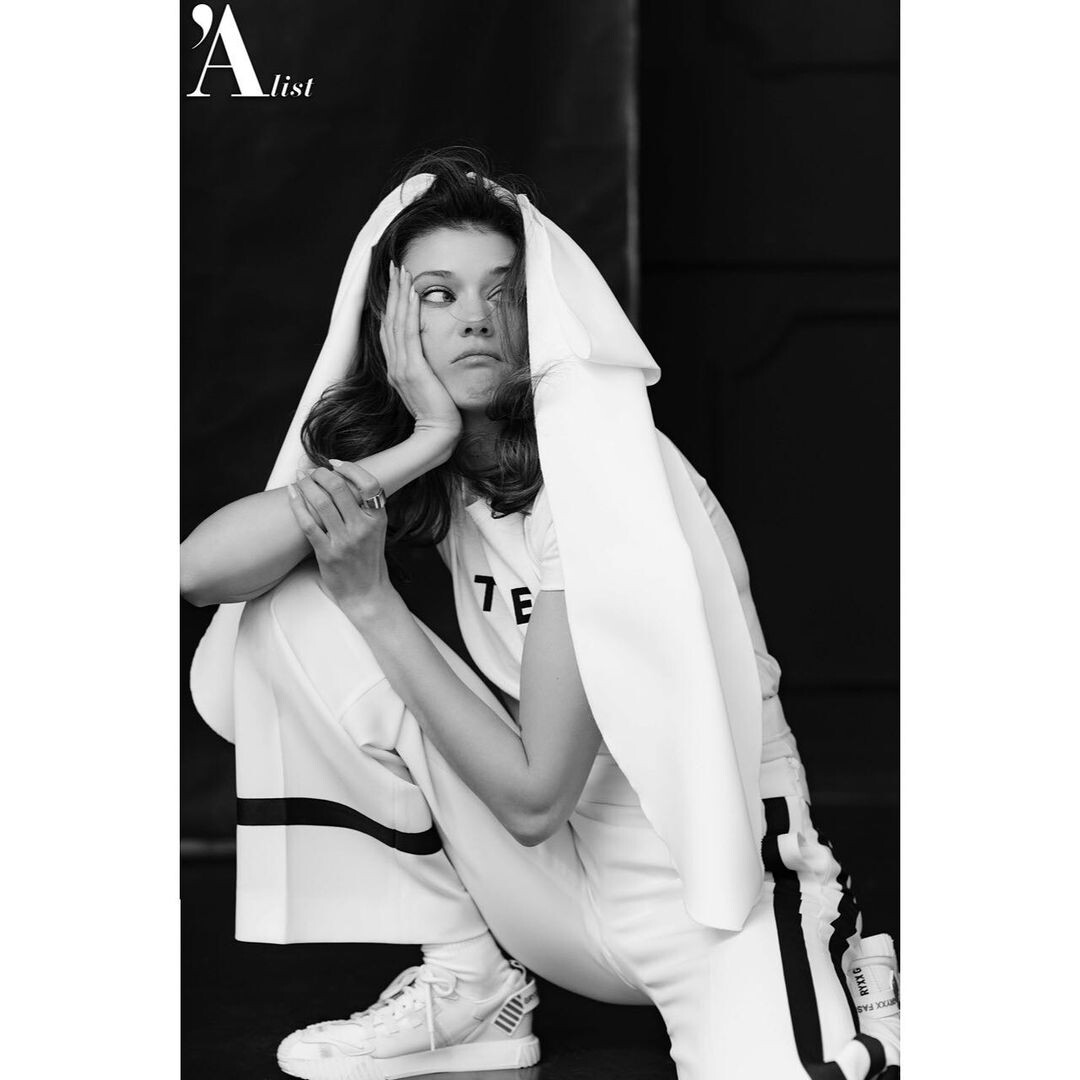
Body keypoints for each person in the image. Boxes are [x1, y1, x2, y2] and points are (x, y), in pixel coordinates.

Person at [181, 149, 900, 1080]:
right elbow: (203, 573)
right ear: (392, 325)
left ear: (543, 314)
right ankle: (472, 981)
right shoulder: (449, 467)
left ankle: (854, 977)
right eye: (437, 294)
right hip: (557, 889)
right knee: (290, 605)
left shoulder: (612, 472)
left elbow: (534, 796)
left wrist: (374, 600)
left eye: (504, 291)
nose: (476, 316)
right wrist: (423, 442)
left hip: (713, 895)